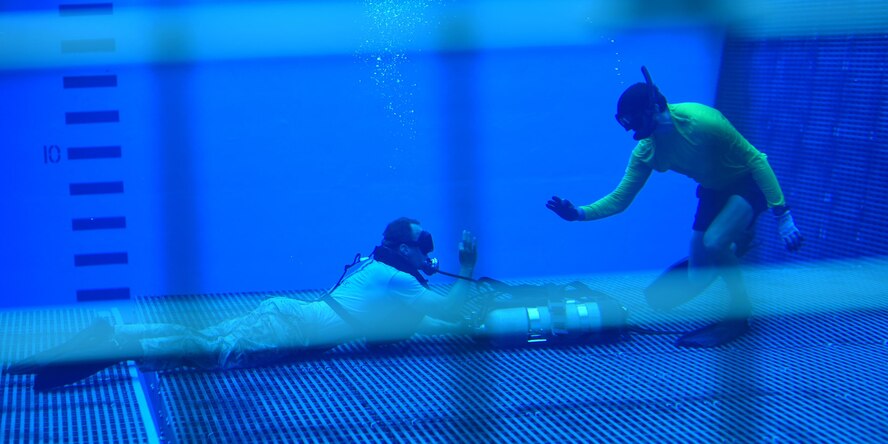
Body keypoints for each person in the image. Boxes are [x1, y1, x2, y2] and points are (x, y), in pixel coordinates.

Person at [8, 217, 478, 390]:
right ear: (403, 249)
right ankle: (118, 344)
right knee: (207, 350)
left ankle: (118, 333)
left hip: (291, 314)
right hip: (294, 328)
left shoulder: (380, 269)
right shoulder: (397, 278)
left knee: (202, 339)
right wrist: (468, 264)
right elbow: (453, 312)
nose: (429, 253)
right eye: (424, 246)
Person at [546, 66, 803, 348]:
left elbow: (757, 160)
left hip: (747, 182)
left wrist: (783, 215)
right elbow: (620, 199)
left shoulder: (704, 121)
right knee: (697, 276)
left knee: (715, 242)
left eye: (634, 120)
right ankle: (734, 247)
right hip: (713, 190)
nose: (633, 129)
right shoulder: (647, 152)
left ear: (653, 109)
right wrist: (578, 214)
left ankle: (740, 314)